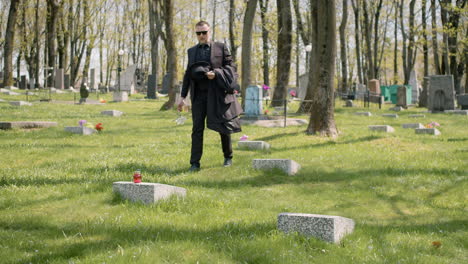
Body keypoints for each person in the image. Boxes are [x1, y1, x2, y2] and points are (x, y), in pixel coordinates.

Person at [178, 21, 242, 172]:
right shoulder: (191, 51)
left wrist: (217, 73)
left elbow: (232, 67)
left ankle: (228, 156)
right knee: (197, 129)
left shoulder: (220, 47)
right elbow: (188, 74)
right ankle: (194, 163)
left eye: (204, 32)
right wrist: (182, 97)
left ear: (209, 32)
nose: (201, 36)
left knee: (223, 126)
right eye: (198, 33)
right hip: (198, 96)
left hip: (217, 94)